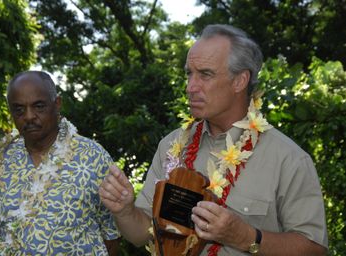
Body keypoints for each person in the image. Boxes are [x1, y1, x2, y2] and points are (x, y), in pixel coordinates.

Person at [99, 24, 328, 255]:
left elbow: (314, 250)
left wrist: (245, 237)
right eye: (189, 73)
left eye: (205, 74)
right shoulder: (172, 146)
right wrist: (125, 211)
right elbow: (141, 235)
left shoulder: (288, 159)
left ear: (240, 81)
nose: (190, 87)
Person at [0, 71, 120, 255]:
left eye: (38, 106)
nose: (29, 116)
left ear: (57, 104)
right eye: (19, 110)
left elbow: (112, 234)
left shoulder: (93, 157)